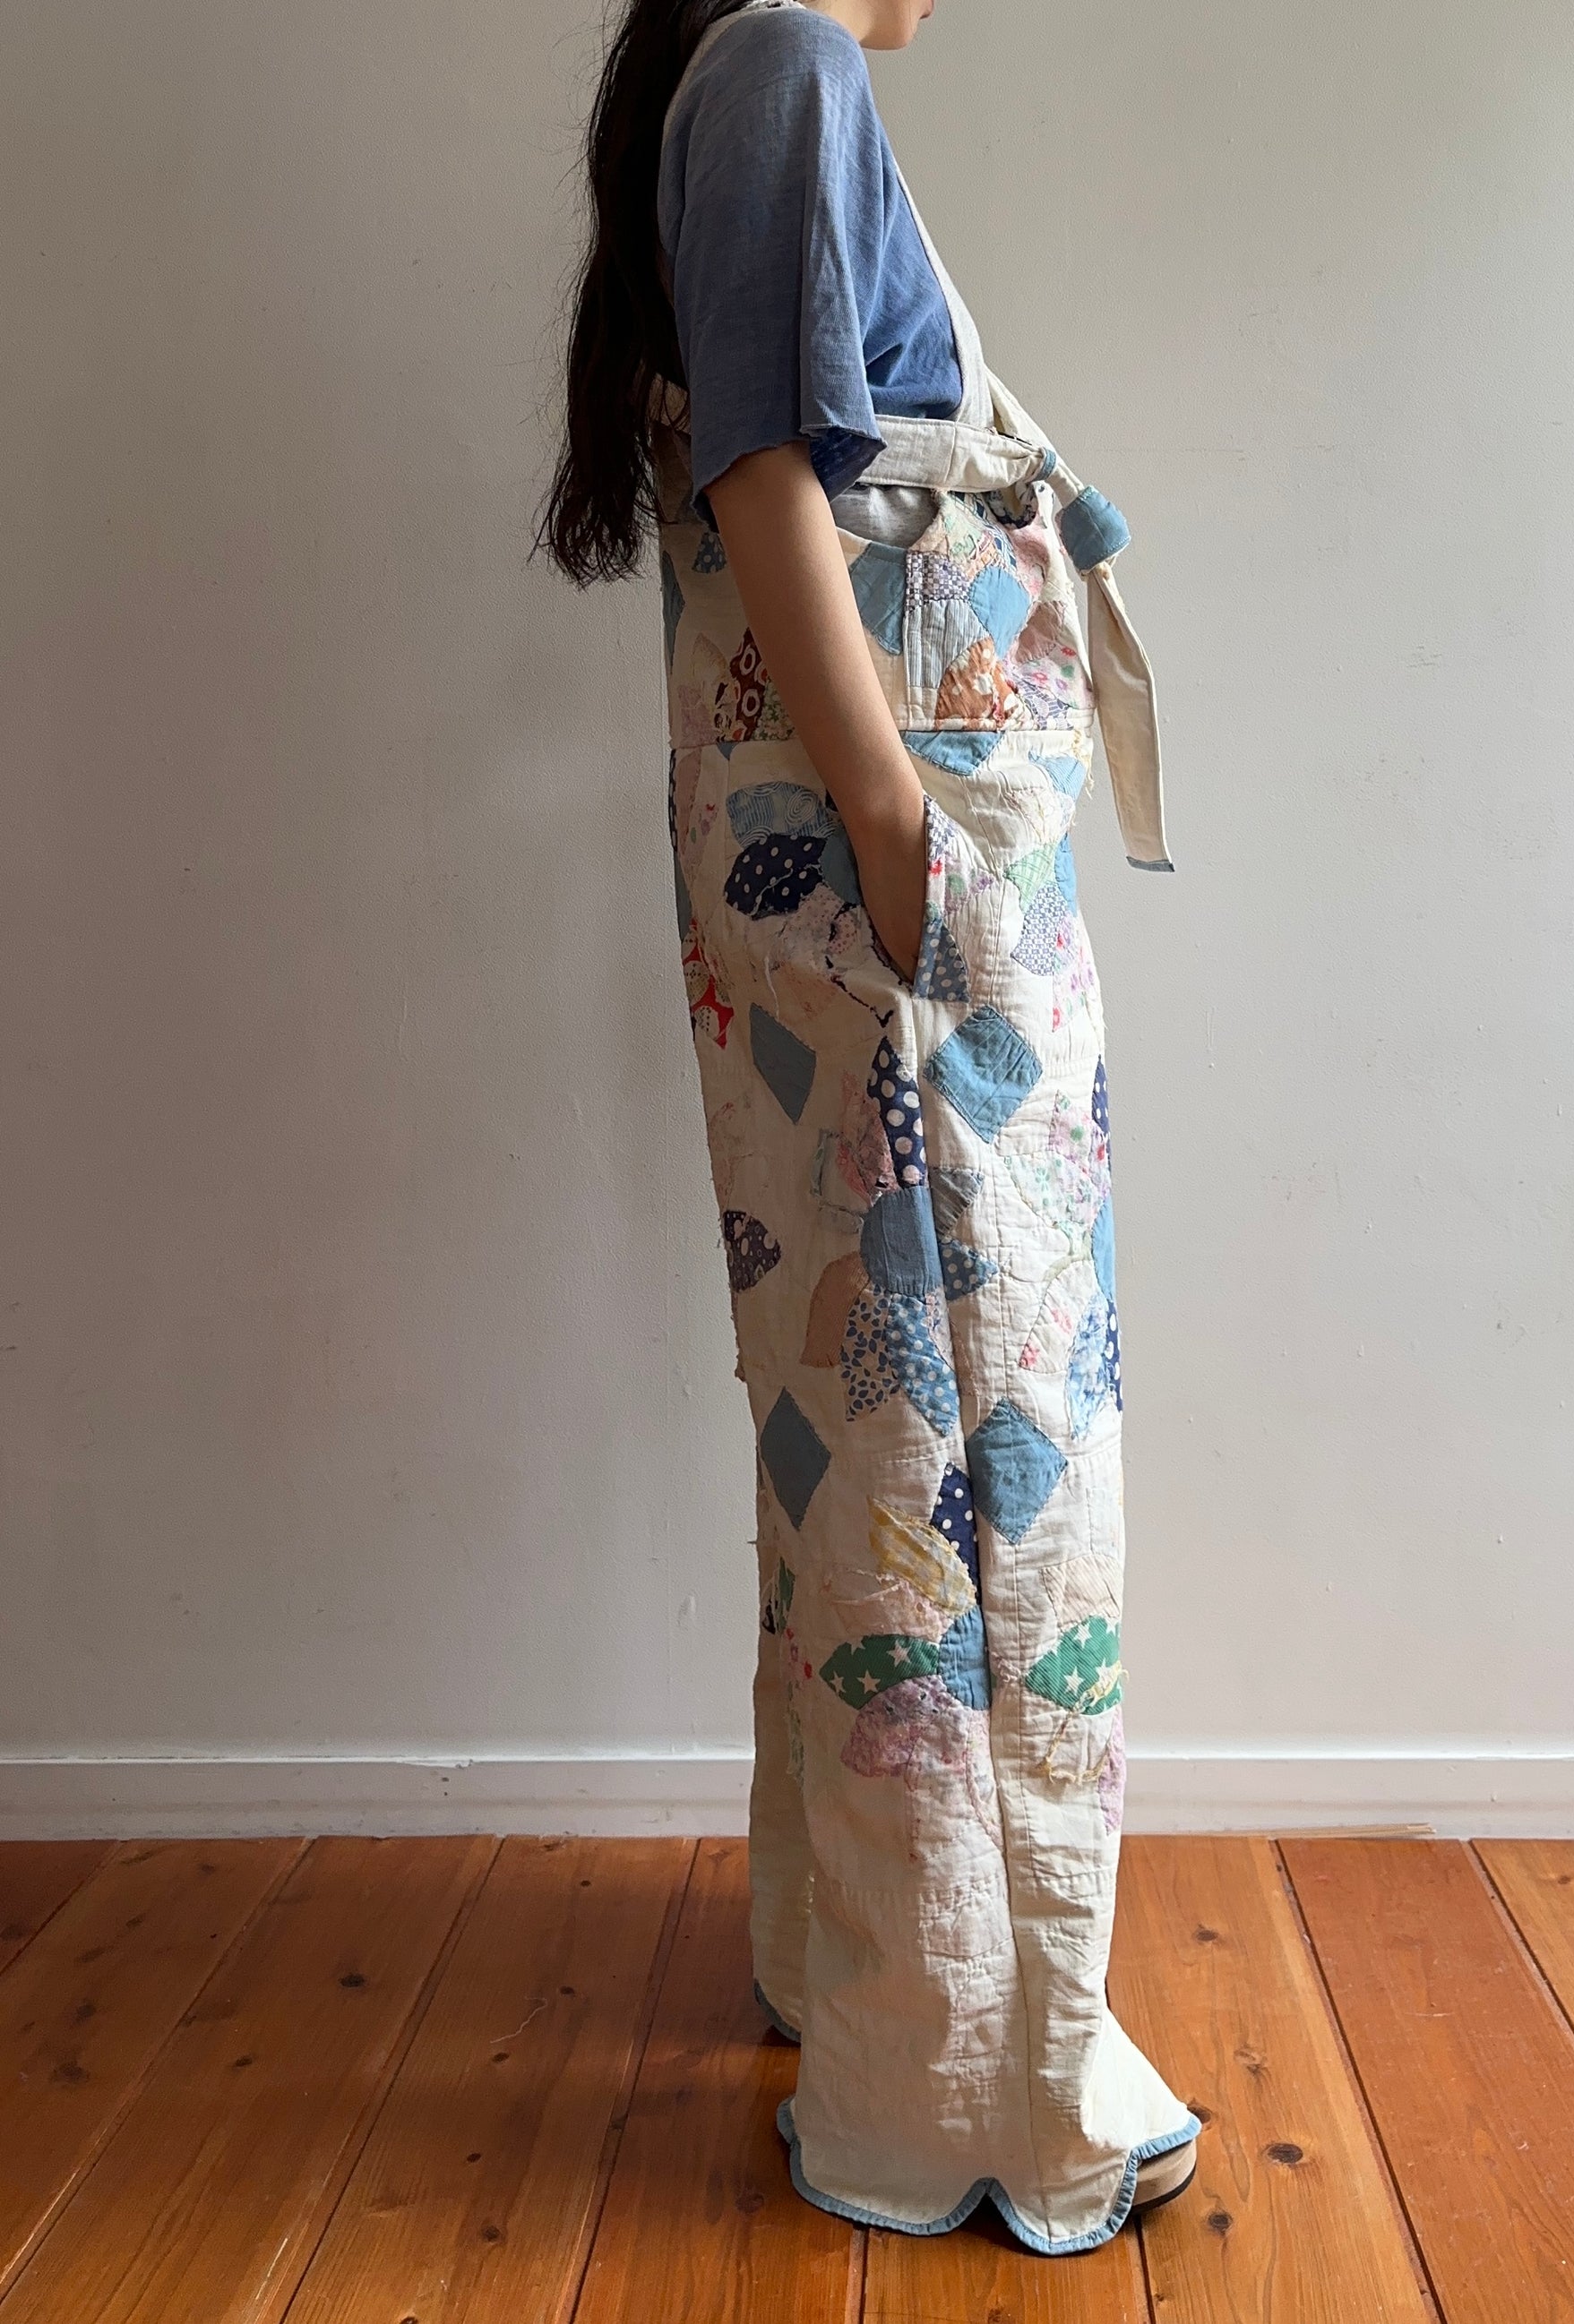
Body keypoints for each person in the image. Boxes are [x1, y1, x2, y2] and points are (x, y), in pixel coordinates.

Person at [539, 0, 1199, 2254]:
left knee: (870, 1426)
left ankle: (869, 1985)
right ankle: (974, 2089)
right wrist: (903, 827)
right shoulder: (786, 71)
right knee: (973, 1446)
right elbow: (765, 476)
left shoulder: (755, 81)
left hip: (866, 899)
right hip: (898, 898)